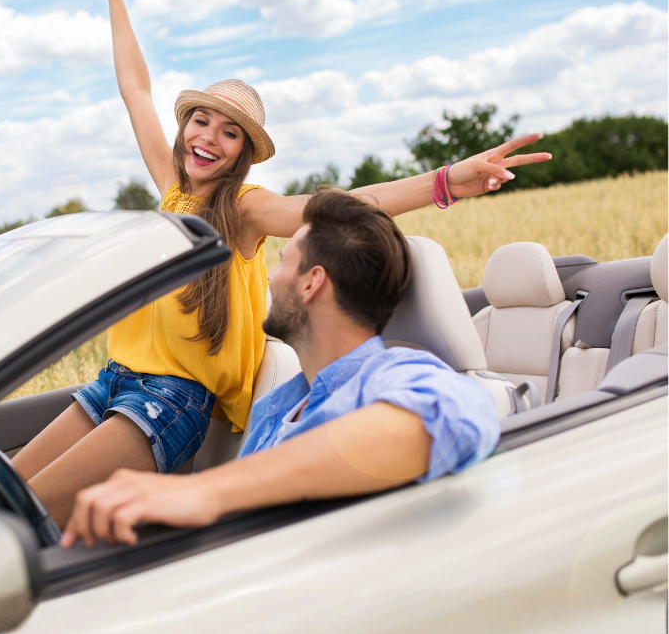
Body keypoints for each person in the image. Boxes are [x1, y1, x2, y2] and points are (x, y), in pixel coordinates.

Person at [12, 0, 548, 529]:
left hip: (168, 401)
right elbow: (135, 89)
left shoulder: (246, 209)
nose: (207, 137)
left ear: (243, 152)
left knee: (22, 521)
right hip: (116, 379)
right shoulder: (171, 186)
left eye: (228, 132)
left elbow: (343, 205)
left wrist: (447, 180)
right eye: (200, 120)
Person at [60, 189, 500, 547]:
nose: (269, 277)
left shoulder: (391, 374)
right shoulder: (276, 407)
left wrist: (205, 491)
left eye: (284, 261)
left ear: (312, 283)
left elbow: (457, 413)